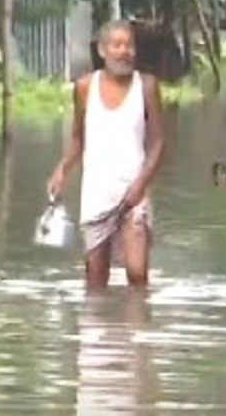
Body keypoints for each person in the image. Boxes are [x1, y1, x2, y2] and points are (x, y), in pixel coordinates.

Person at [47, 20, 166, 290]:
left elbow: (158, 143)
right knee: (95, 279)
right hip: (96, 194)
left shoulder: (146, 86)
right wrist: (61, 170)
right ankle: (98, 329)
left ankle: (136, 327)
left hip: (133, 192)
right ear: (102, 50)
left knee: (137, 276)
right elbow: (78, 137)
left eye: (129, 45)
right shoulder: (85, 87)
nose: (124, 51)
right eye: (117, 45)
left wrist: (141, 185)